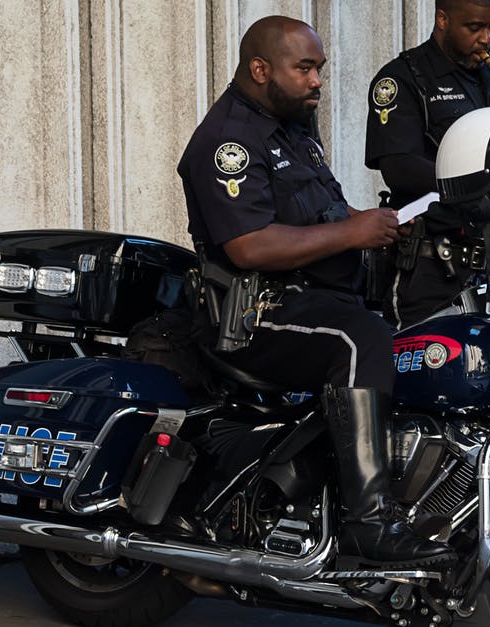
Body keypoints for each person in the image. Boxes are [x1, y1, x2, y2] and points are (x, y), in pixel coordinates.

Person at [177, 15, 453, 567]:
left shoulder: (296, 131)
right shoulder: (227, 139)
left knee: (433, 337)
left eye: (319, 69)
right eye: (304, 68)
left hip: (315, 300)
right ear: (260, 69)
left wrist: (378, 222)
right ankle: (368, 523)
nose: (316, 81)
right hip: (256, 312)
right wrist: (352, 232)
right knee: (360, 341)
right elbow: (249, 246)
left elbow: (321, 213)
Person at [365, 0, 490, 328]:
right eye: (474, 28)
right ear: (442, 19)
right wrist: (472, 182)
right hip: (432, 265)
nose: (486, 39)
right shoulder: (403, 78)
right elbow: (398, 167)